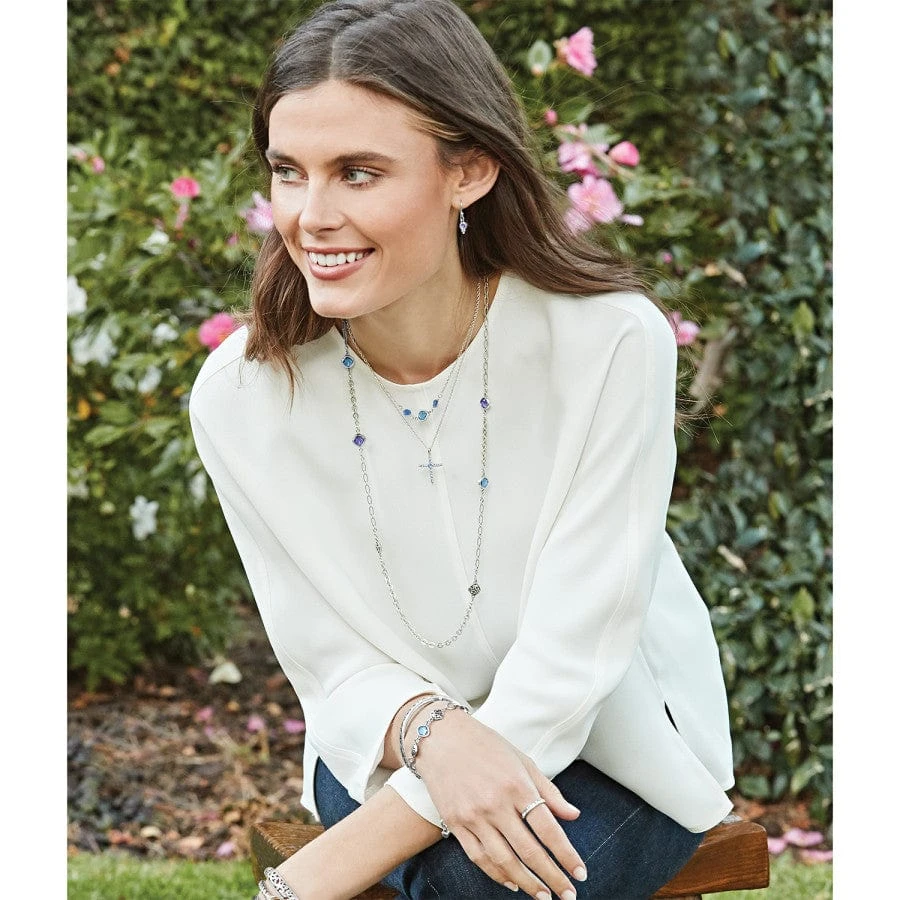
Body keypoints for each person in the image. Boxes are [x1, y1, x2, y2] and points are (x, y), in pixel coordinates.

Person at [189, 1, 735, 897]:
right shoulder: (243, 396)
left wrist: (306, 879)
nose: (311, 216)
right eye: (289, 172)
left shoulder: (609, 343)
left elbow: (574, 663)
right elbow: (327, 658)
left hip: (616, 736)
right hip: (391, 735)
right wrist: (434, 737)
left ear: (470, 170)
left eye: (358, 173)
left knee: (475, 887)